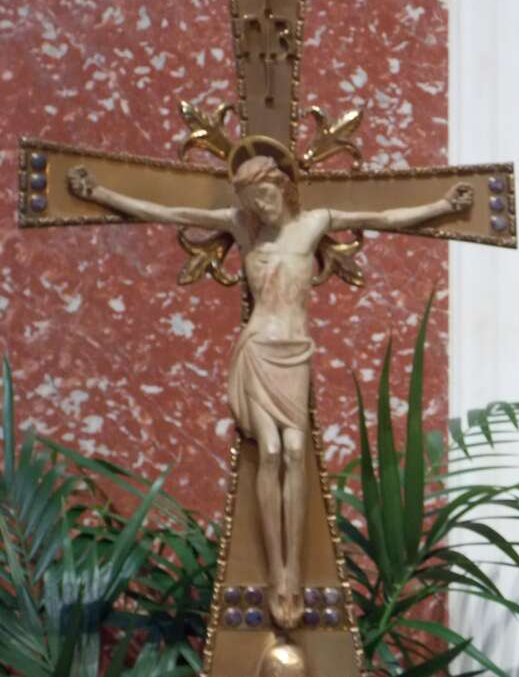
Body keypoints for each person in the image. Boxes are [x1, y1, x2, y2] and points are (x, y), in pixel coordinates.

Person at [67, 145, 473, 629]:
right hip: (258, 349)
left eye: (265, 196)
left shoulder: (315, 223)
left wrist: (443, 206)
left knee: (296, 451)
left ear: (282, 187)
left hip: (295, 352)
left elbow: (384, 217)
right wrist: (102, 193)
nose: (261, 208)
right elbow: (168, 211)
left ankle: (292, 569)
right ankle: (276, 572)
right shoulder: (242, 228)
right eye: (252, 202)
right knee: (273, 451)